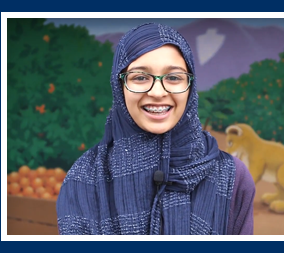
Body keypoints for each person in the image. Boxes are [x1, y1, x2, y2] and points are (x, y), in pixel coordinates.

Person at [56, 22, 255, 235]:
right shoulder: (84, 179)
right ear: (119, 86)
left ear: (190, 86)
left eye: (174, 77)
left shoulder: (232, 176)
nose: (158, 92)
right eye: (140, 77)